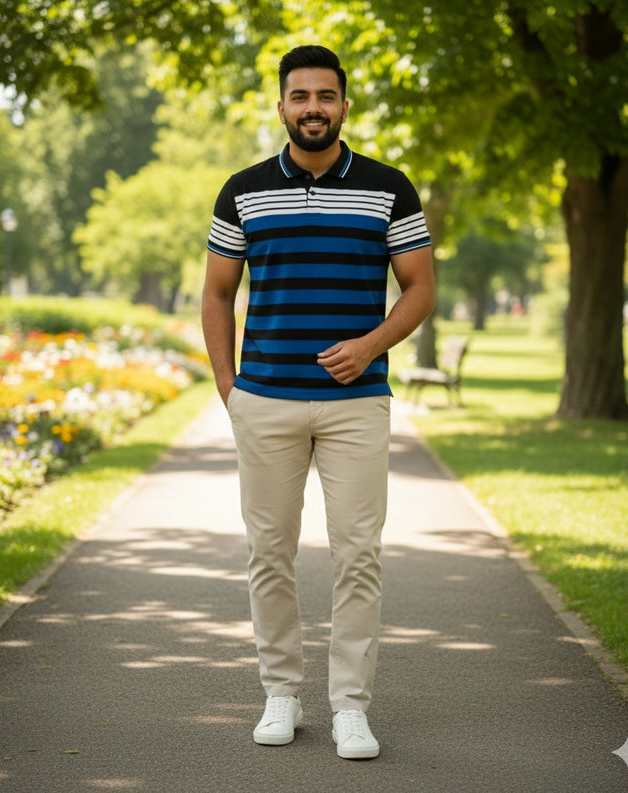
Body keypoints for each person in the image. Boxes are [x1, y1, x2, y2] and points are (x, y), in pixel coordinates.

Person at [201, 44, 435, 760]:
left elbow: (420, 288)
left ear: (343, 105)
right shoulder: (241, 191)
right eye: (299, 97)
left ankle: (351, 707)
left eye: (324, 96)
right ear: (281, 107)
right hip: (264, 402)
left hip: (356, 403)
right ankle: (280, 692)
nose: (312, 108)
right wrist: (230, 391)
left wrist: (369, 345)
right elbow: (216, 294)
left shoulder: (389, 188)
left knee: (358, 555)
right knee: (268, 553)